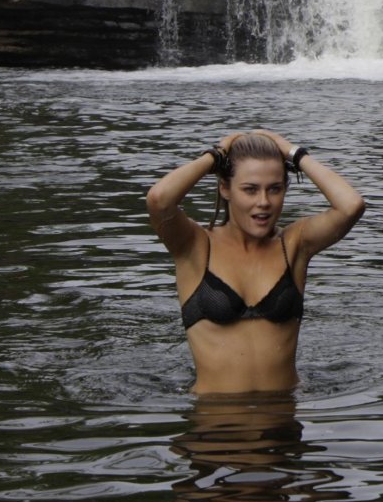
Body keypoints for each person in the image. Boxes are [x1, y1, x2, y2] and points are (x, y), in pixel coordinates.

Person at [146, 130, 365, 394]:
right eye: (250, 190)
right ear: (225, 188)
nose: (263, 202)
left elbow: (351, 205)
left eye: (274, 189)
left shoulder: (294, 245)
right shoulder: (194, 246)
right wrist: (214, 155)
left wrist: (294, 153)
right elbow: (159, 200)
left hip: (283, 421)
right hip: (214, 423)